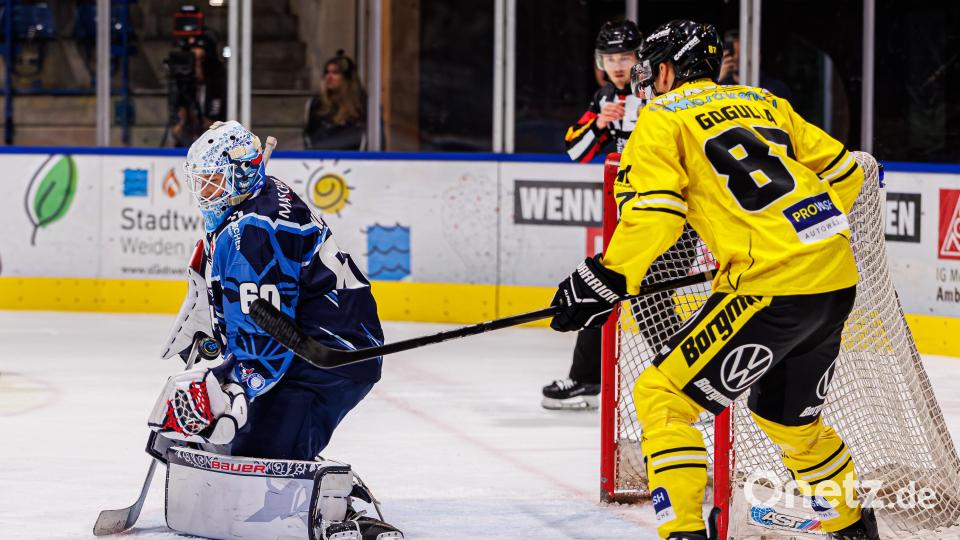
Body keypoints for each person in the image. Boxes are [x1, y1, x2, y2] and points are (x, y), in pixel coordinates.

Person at [549, 19, 877, 540]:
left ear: (666, 68)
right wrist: (788, 232)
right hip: (834, 279)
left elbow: (655, 215)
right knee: (785, 419)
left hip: (771, 285)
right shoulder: (764, 102)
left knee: (661, 395)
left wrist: (606, 276)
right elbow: (850, 172)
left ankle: (682, 533)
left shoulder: (661, 118)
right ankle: (851, 525)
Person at [147, 121, 402, 539]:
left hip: (327, 359)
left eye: (212, 183)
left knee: (258, 464)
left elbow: (267, 352)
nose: (204, 194)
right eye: (201, 183)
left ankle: (343, 506)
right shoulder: (255, 201)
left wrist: (228, 385)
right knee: (238, 450)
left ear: (240, 175)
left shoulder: (252, 231)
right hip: (321, 346)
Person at [543, 19, 697, 411]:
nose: (616, 66)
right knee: (603, 286)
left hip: (672, 214)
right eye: (609, 58)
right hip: (631, 217)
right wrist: (599, 123)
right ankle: (586, 379)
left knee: (652, 294)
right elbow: (575, 151)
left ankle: (685, 377)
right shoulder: (605, 98)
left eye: (624, 57)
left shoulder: (664, 93)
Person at [304, 50, 367, 150]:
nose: (329, 77)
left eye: (335, 73)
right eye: (327, 72)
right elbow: (309, 138)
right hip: (320, 159)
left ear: (347, 78)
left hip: (353, 161)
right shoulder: (316, 104)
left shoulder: (362, 104)